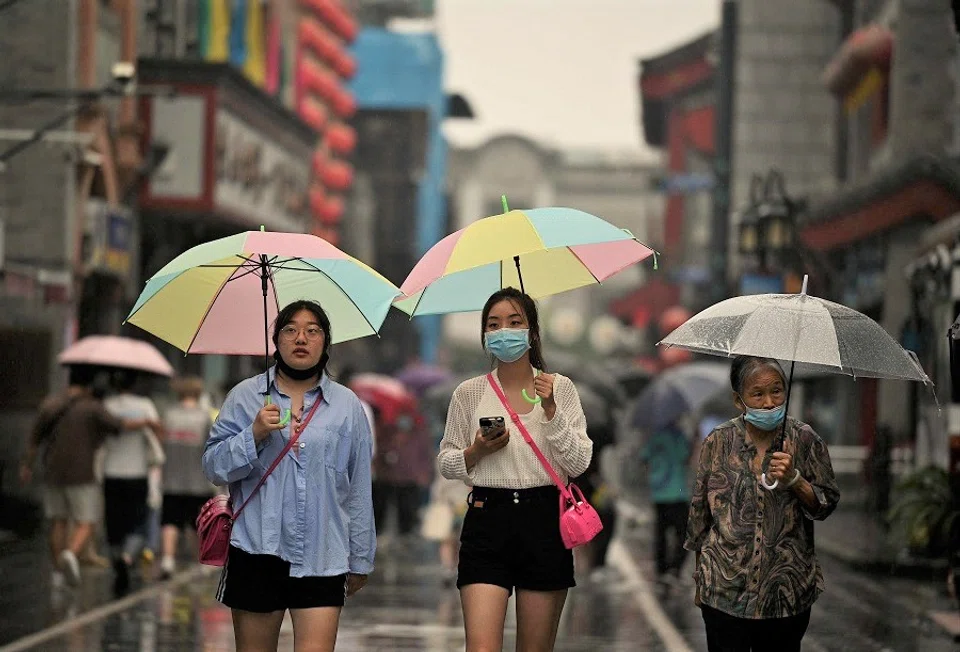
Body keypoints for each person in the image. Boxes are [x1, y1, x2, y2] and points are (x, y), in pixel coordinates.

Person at [202, 300, 375, 652]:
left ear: (326, 344)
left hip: (323, 555)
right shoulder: (245, 397)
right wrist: (253, 435)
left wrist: (360, 558)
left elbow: (357, 487)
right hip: (255, 549)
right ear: (276, 340)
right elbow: (213, 467)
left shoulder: (347, 406)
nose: (301, 338)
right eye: (290, 330)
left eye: (313, 331)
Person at [438, 287, 592, 652]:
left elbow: (578, 463)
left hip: (544, 520)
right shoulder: (468, 393)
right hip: (486, 519)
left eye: (513, 322)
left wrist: (551, 410)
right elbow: (446, 461)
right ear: (485, 335)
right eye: (493, 324)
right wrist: (476, 451)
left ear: (532, 332)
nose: (503, 331)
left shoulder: (560, 389)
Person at [686, 356, 840, 652]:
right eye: (758, 394)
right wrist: (700, 581)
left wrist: (795, 480)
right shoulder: (717, 442)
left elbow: (826, 504)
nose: (769, 402)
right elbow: (699, 516)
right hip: (723, 592)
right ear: (738, 400)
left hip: (786, 594)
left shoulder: (806, 440)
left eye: (777, 391)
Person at [19, 365, 158, 589]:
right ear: (89, 385)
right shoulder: (92, 408)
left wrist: (26, 466)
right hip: (82, 473)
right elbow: (118, 425)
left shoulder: (51, 404)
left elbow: (35, 438)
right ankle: (71, 555)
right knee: (87, 521)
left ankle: (57, 572)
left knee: (58, 521)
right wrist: (146, 422)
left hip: (53, 471)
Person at [102, 369, 165, 596]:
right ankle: (128, 557)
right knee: (137, 520)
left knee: (114, 520)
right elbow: (159, 433)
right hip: (137, 472)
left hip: (111, 471)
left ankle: (117, 556)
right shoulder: (145, 405)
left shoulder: (107, 405)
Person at [159, 375, 215, 579]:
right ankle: (200, 561)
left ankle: (167, 559)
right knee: (198, 522)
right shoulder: (204, 417)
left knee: (170, 521)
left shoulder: (169, 415)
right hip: (199, 480)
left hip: (171, 478)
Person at [640, 417, 692, 592]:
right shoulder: (678, 437)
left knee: (661, 534)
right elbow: (685, 458)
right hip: (677, 493)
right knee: (685, 534)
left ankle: (661, 571)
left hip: (659, 494)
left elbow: (645, 460)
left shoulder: (654, 437)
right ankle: (674, 569)